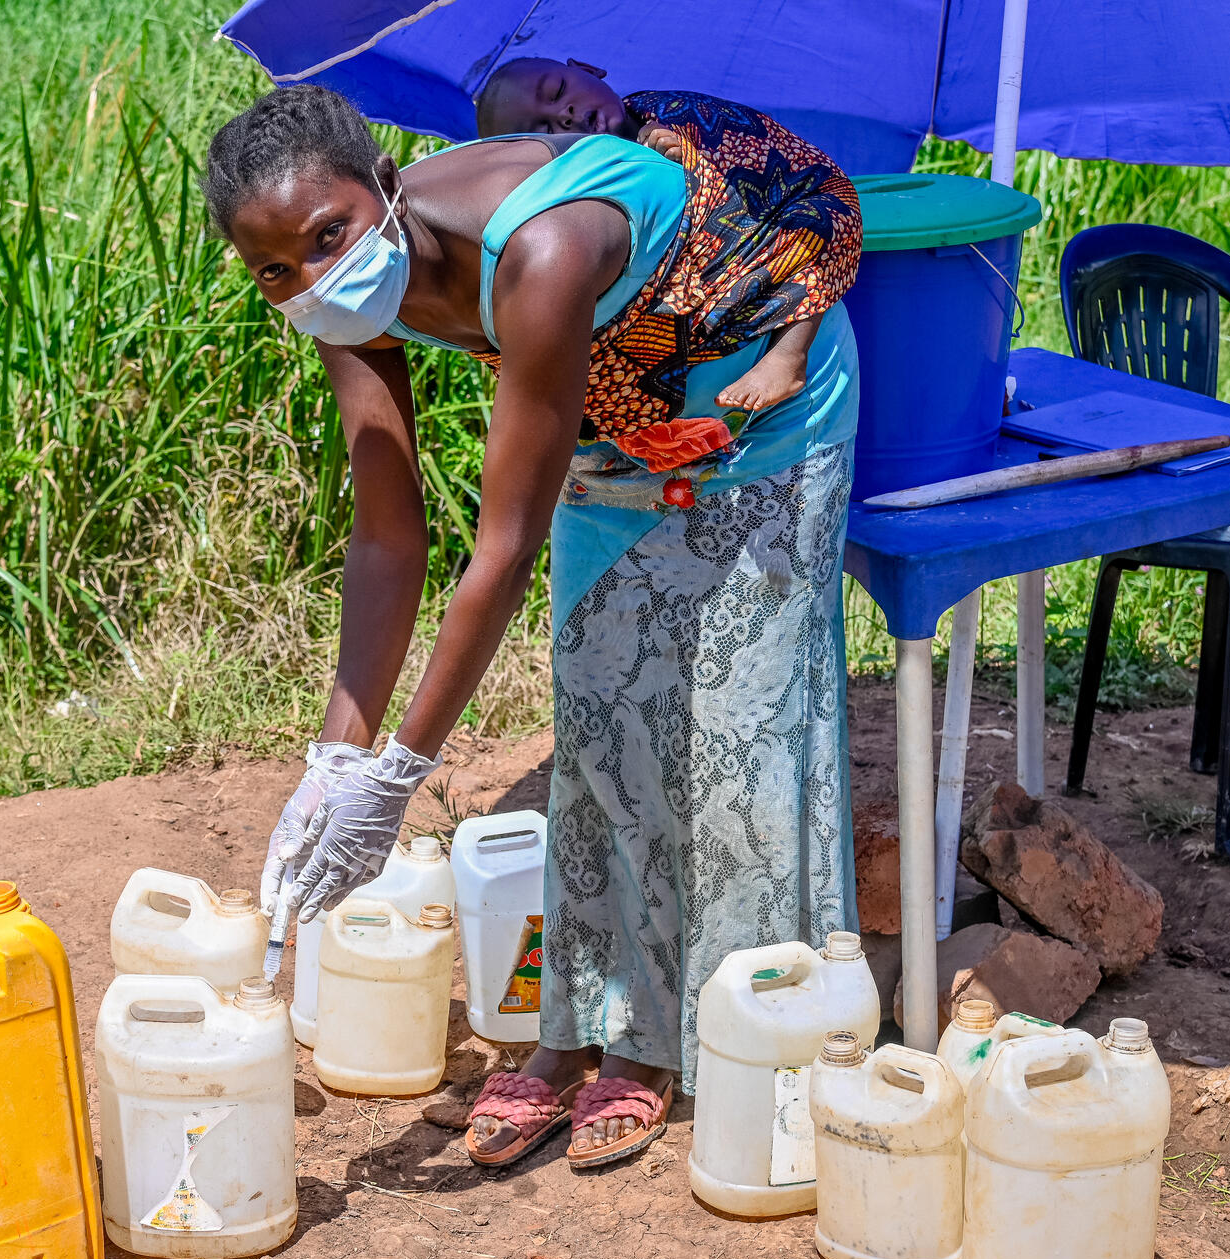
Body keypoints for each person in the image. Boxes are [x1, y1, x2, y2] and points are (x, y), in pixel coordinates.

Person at [212, 82, 860, 1171]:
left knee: (731, 736)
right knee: (601, 723)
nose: (311, 276)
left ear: (382, 188)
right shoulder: (345, 298)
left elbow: (499, 547)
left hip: (755, 413)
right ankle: (574, 1030)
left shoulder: (542, 248)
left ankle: (687, 1041)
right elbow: (389, 535)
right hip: (607, 429)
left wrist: (401, 771)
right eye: (275, 269)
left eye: (327, 239)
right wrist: (338, 755)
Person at [475, 58, 860, 418]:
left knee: (819, 221)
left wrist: (682, 161)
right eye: (544, 130)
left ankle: (788, 357)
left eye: (558, 91)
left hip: (765, 233)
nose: (565, 115)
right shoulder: (566, 196)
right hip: (671, 308)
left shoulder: (672, 112)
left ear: (588, 69)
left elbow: (756, 162)